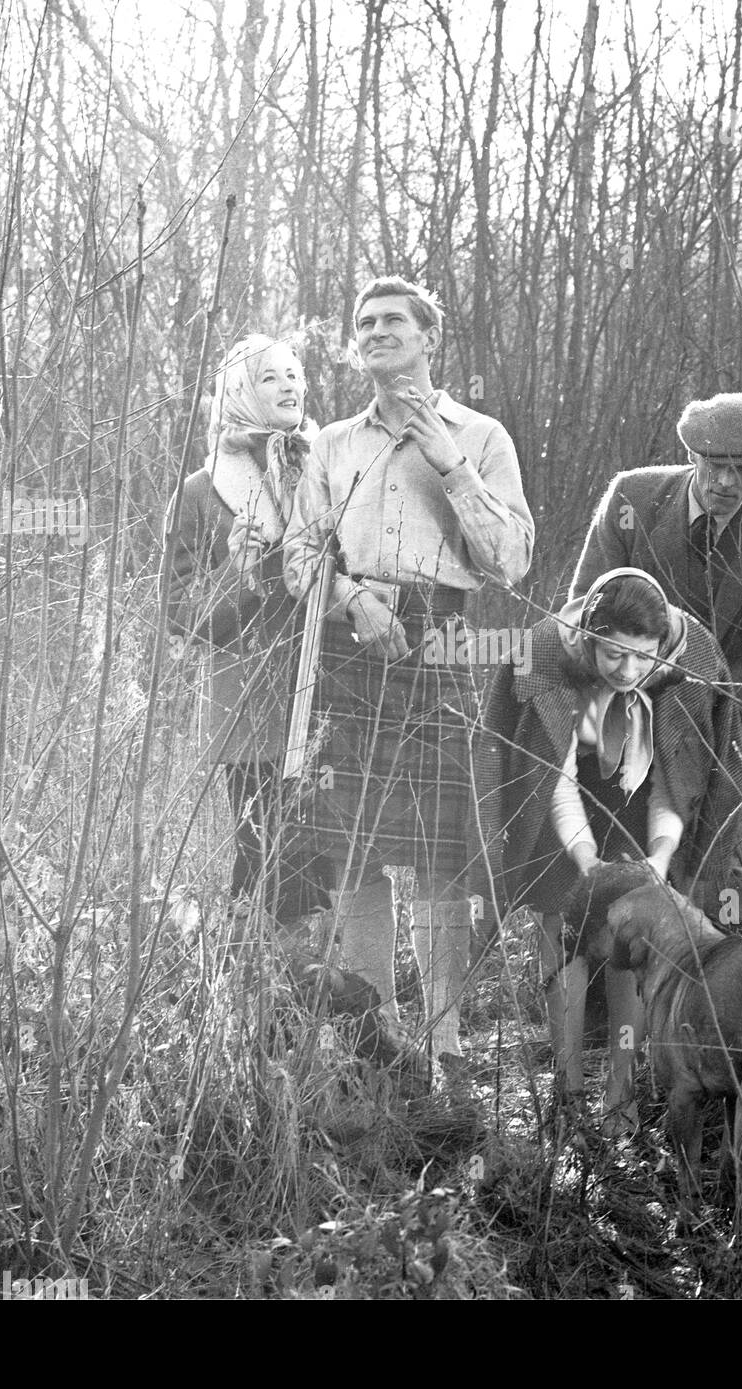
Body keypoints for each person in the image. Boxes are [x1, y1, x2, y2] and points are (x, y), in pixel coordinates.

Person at [283, 276, 533, 1086]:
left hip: (446, 652)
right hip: (354, 652)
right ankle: (377, 1037)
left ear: (429, 337)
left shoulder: (482, 435)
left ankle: (447, 1042)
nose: (377, 332)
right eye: (365, 325)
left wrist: (451, 464)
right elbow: (298, 558)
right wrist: (351, 600)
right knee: (354, 851)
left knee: (440, 859)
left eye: (394, 321)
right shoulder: (332, 445)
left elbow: (511, 560)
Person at [474, 568, 742, 1132]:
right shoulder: (547, 657)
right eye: (613, 656)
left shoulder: (691, 666)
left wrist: (659, 862)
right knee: (563, 933)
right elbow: (554, 779)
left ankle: (620, 1090)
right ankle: (567, 1088)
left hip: (641, 798)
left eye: (641, 659)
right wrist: (586, 862)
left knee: (634, 938)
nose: (627, 671)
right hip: (563, 800)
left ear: (660, 649)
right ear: (590, 639)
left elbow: (678, 784)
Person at [570, 392, 742, 881]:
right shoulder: (631, 501)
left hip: (719, 740)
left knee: (720, 904)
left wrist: (734, 758)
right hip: (618, 728)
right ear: (691, 455)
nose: (726, 482)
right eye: (714, 465)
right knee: (597, 901)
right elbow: (581, 618)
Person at [164, 334, 325, 940]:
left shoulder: (329, 465)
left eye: (294, 374)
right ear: (237, 395)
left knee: (334, 857)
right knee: (269, 853)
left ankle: (333, 1002)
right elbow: (181, 609)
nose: (289, 386)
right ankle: (250, 988)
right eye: (268, 378)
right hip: (252, 706)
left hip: (335, 691)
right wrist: (239, 569)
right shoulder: (203, 492)